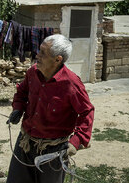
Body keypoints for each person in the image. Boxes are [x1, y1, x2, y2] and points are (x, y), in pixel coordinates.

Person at [6, 34, 94, 183]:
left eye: (43, 53)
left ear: (57, 59)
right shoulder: (32, 73)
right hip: (25, 143)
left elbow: (87, 112)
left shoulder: (71, 84)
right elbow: (21, 92)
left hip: (53, 152)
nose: (37, 56)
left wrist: (76, 141)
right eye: (39, 50)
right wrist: (17, 109)